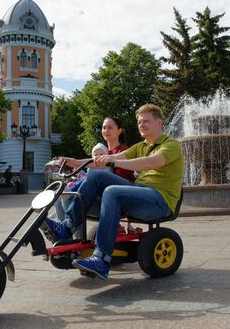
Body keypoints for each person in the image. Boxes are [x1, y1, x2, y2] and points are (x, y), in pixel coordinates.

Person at [41, 104, 184, 280]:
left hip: (159, 200)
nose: (141, 125)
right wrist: (75, 162)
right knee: (96, 176)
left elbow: (150, 162)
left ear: (159, 122)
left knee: (112, 191)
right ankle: (67, 226)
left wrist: (114, 162)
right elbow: (105, 160)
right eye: (139, 122)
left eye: (146, 121)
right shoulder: (140, 146)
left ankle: (101, 259)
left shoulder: (171, 145)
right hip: (140, 192)